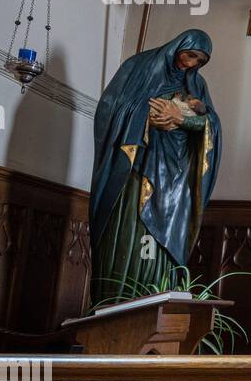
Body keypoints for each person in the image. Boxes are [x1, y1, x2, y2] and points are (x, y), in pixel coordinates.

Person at [89, 29, 222, 304]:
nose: (191, 64)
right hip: (135, 170)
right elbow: (108, 109)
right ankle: (118, 302)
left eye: (199, 60)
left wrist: (181, 118)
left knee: (162, 245)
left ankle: (154, 300)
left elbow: (211, 125)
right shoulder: (138, 67)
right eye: (190, 55)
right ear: (178, 46)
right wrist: (144, 115)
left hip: (174, 182)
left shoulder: (197, 86)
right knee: (130, 232)